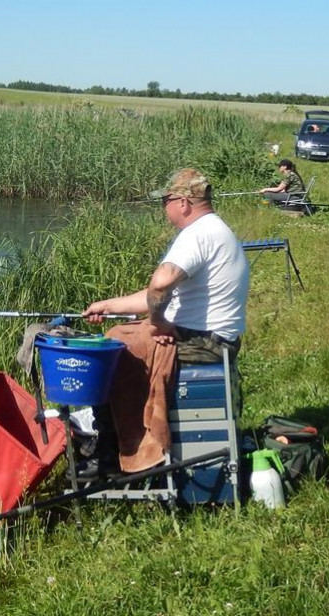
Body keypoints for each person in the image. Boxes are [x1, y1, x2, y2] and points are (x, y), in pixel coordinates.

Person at [79, 168, 250, 476]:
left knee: (111, 356)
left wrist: (157, 323)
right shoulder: (215, 230)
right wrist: (107, 305)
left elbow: (160, 285)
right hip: (215, 336)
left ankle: (112, 458)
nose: (164, 208)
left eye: (166, 201)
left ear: (184, 202)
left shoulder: (198, 234)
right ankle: (115, 444)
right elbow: (154, 293)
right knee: (118, 333)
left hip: (205, 341)